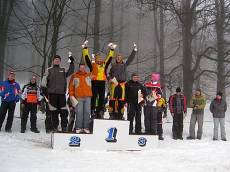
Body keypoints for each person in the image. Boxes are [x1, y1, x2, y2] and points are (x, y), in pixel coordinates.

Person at [82, 41, 116, 119]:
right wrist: (85, 48)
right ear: (96, 60)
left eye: (100, 59)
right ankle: (92, 110)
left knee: (101, 97)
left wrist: (112, 50)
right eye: (98, 59)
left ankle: (100, 111)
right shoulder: (92, 65)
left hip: (102, 82)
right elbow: (86, 57)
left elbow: (109, 58)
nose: (99, 60)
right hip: (94, 82)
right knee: (93, 97)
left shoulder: (104, 64)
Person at [41, 54, 75, 132]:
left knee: (64, 112)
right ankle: (54, 127)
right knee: (53, 112)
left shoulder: (63, 69)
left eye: (58, 60)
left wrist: (71, 62)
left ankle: (64, 127)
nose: (57, 60)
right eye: (55, 59)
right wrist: (44, 90)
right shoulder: (49, 70)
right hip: (52, 95)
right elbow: (44, 81)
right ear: (53, 61)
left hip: (61, 95)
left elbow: (71, 71)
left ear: (60, 61)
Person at [108, 43, 137, 120]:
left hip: (122, 84)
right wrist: (109, 79)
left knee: (121, 100)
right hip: (114, 83)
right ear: (116, 58)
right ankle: (112, 114)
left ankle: (120, 114)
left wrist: (134, 50)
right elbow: (109, 74)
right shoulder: (113, 65)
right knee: (112, 99)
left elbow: (130, 59)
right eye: (117, 57)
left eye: (120, 57)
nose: (118, 58)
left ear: (122, 59)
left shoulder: (124, 64)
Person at [69, 63, 92, 134]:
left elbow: (96, 71)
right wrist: (71, 95)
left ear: (85, 68)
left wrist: (94, 59)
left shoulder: (89, 75)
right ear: (79, 68)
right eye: (81, 67)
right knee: (79, 112)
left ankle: (86, 127)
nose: (82, 69)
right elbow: (71, 87)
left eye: (83, 67)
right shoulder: (74, 76)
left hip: (87, 97)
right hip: (78, 97)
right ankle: (78, 127)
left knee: (87, 112)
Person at [144, 73, 166, 140]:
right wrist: (143, 101)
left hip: (154, 105)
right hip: (147, 105)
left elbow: (160, 96)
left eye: (156, 78)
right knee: (147, 118)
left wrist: (151, 98)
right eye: (153, 77)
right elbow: (142, 93)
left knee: (154, 119)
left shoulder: (159, 86)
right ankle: (147, 131)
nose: (154, 79)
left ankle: (153, 131)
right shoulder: (146, 85)